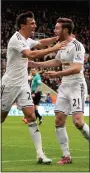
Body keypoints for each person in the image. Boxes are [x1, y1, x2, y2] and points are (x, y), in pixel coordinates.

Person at [1, 11, 67, 164]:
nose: (35, 25)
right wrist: (54, 48)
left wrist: (61, 38)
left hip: (23, 85)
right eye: (32, 23)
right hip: (10, 84)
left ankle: (40, 154)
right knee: (1, 118)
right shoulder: (16, 40)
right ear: (23, 25)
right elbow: (30, 55)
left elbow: (41, 43)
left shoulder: (26, 39)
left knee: (31, 117)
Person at [29, 18, 89, 164]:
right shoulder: (60, 45)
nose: (54, 31)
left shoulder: (77, 46)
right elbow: (57, 62)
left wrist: (57, 74)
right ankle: (66, 156)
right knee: (59, 120)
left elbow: (77, 68)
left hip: (76, 85)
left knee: (78, 122)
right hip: (64, 87)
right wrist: (36, 63)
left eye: (57, 28)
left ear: (66, 30)